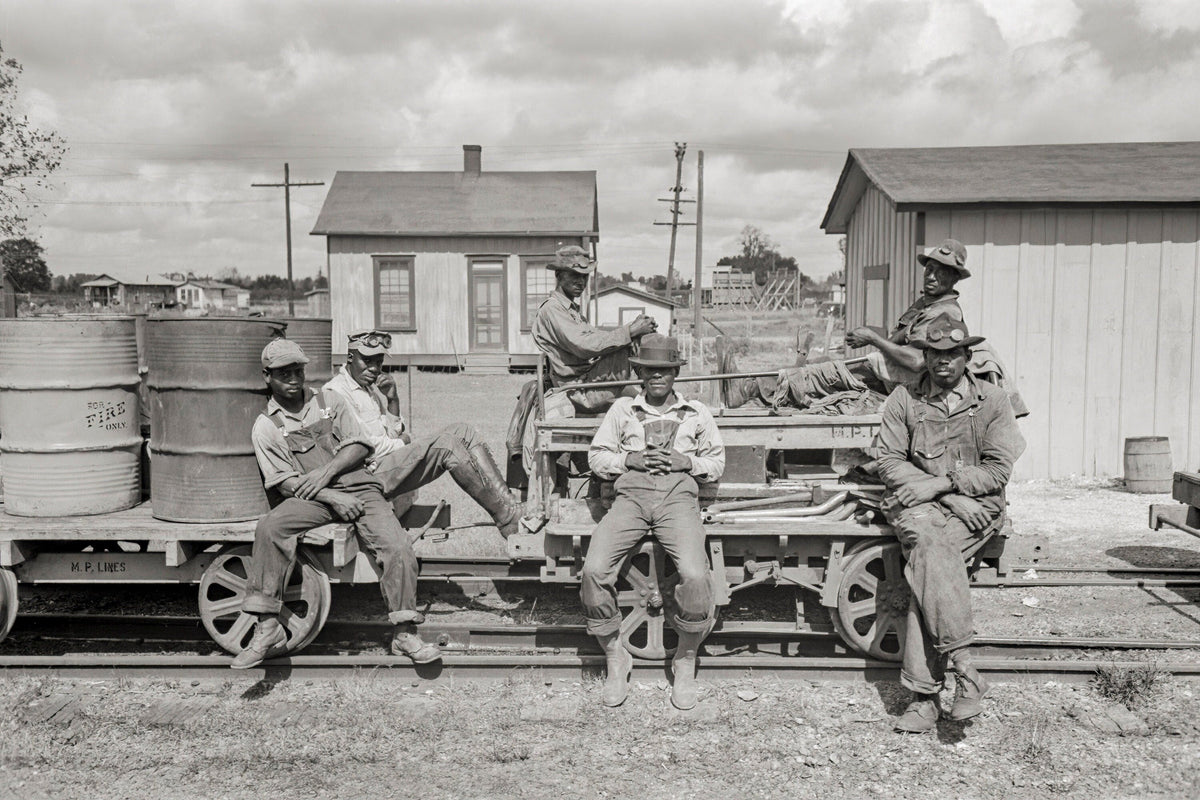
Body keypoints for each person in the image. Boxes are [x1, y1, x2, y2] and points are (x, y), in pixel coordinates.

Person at [232, 338, 440, 669]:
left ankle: (404, 633)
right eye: (283, 372)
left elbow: (359, 447)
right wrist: (332, 496)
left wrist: (328, 474)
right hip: (313, 497)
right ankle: (268, 627)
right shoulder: (266, 426)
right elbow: (284, 482)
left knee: (398, 547)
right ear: (266, 376)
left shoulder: (330, 400)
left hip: (360, 486)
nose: (293, 378)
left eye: (298, 370)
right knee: (271, 526)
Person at [873, 314, 1026, 732]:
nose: (943, 362)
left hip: (976, 508)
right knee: (930, 547)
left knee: (927, 558)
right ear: (925, 357)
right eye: (935, 354)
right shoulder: (903, 399)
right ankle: (965, 670)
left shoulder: (993, 401)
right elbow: (888, 460)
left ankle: (924, 698)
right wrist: (949, 496)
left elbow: (998, 470)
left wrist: (947, 487)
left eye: (952, 354)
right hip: (922, 508)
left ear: (966, 356)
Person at [721, 239, 1027, 416]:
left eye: (941, 272)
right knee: (819, 367)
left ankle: (746, 390)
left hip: (899, 383)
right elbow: (900, 337)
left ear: (955, 279)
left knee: (819, 375)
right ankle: (748, 390)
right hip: (884, 370)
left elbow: (919, 360)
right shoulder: (925, 306)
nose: (931, 276)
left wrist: (873, 340)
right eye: (929, 269)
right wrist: (874, 338)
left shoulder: (945, 314)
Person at [582, 333, 725, 710]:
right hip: (630, 497)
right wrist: (630, 461)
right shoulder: (623, 411)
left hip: (679, 498)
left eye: (664, 370)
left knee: (695, 576)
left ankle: (685, 658)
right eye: (650, 371)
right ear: (641, 373)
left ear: (675, 373)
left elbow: (716, 463)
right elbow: (596, 458)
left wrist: (687, 463)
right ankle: (615, 655)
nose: (657, 377)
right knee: (594, 570)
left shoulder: (697, 413)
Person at [324, 329, 526, 538]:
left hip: (387, 462)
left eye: (379, 361)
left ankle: (510, 506)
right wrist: (405, 442)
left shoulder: (366, 387)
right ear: (350, 357)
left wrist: (393, 400)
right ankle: (506, 518)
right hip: (369, 473)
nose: (374, 368)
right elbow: (366, 448)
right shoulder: (337, 392)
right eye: (367, 361)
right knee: (447, 445)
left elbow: (389, 435)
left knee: (463, 431)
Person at [531, 244, 658, 415]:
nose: (581, 282)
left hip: (587, 380)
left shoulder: (571, 311)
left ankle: (655, 394)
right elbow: (584, 345)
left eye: (585, 277)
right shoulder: (552, 309)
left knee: (638, 337)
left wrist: (634, 328)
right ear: (558, 275)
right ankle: (657, 395)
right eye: (575, 275)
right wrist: (631, 331)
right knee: (633, 340)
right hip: (578, 389)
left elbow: (596, 337)